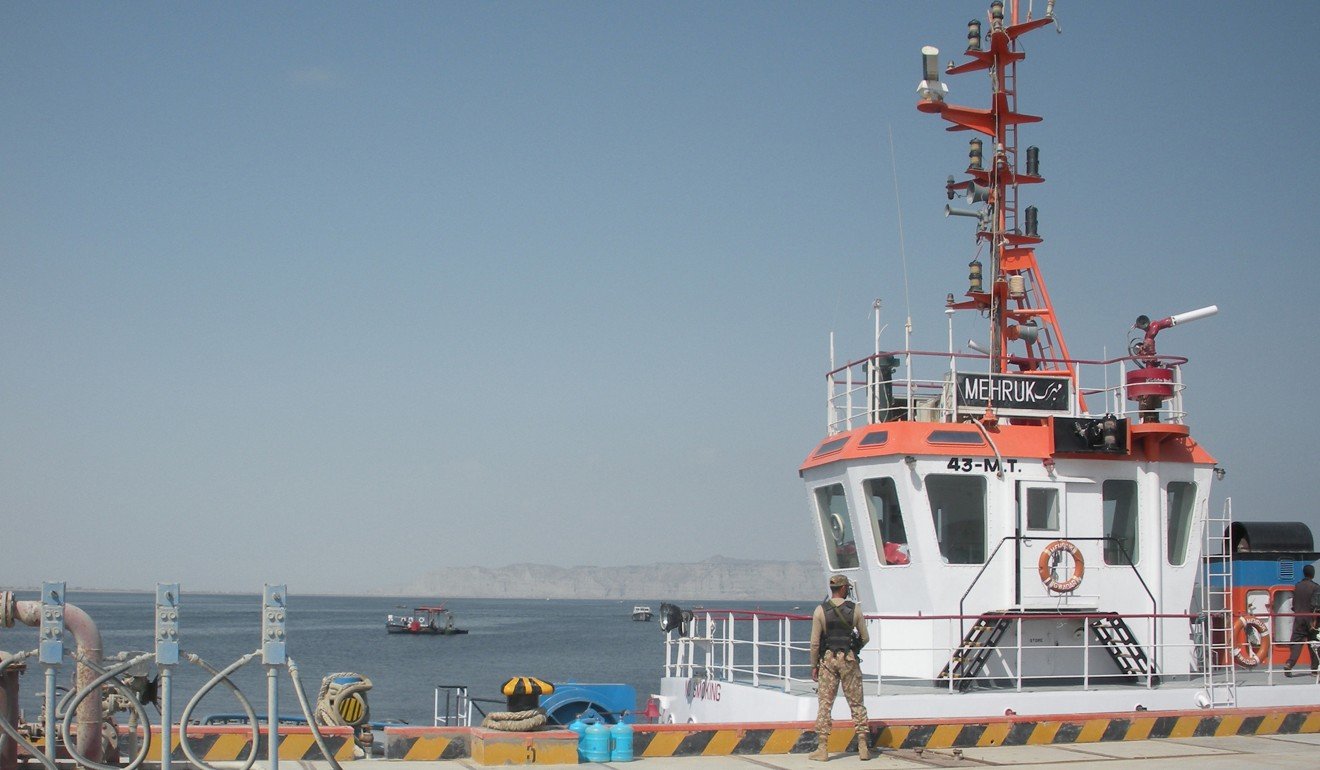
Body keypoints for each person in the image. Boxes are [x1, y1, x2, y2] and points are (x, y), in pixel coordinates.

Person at [808, 574, 870, 761]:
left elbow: (814, 643)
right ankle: (863, 745)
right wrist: (854, 648)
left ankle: (823, 748)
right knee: (856, 702)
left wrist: (814, 665)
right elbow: (865, 637)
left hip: (828, 660)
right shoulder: (855, 609)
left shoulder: (820, 610)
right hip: (849, 659)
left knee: (825, 704)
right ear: (844, 589)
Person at [1284, 564, 1319, 677]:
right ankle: (1314, 670)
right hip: (1311, 620)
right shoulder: (1315, 587)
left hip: (1298, 619)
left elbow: (1293, 605)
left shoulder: (1297, 586)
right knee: (1314, 644)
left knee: (1296, 644)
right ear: (1312, 574)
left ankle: (1289, 663)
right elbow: (1316, 605)